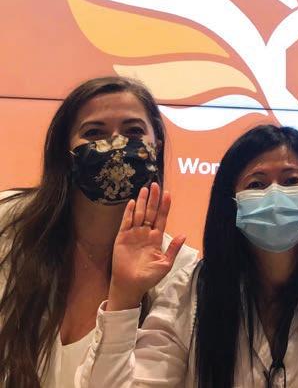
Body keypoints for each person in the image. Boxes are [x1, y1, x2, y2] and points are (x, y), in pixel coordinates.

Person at [77, 125, 298, 387]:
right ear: (230, 202)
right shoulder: (189, 292)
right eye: (256, 184)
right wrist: (123, 295)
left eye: (291, 181)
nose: (275, 194)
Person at [0, 77, 197, 387]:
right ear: (66, 151)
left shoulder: (176, 269)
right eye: (94, 133)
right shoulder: (9, 225)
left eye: (133, 132)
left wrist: (125, 298)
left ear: (156, 145)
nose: (116, 144)